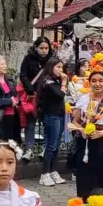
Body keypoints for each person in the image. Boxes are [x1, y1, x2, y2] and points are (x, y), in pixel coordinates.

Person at [70, 69, 103, 198]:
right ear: (90, 83)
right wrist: (82, 131)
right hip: (86, 141)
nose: (97, 84)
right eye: (94, 81)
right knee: (86, 173)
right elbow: (75, 121)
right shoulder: (83, 99)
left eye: (101, 81)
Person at [36, 58, 68, 186]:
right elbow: (60, 95)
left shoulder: (55, 81)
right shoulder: (47, 82)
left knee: (56, 145)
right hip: (51, 116)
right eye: (58, 67)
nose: (61, 70)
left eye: (62, 67)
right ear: (51, 67)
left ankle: (53, 171)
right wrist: (64, 82)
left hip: (59, 115)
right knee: (51, 145)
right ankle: (44, 174)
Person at [19, 37, 53, 152]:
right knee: (31, 122)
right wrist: (29, 89)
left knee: (46, 122)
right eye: (41, 48)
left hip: (46, 96)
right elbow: (23, 75)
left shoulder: (52, 60)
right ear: (36, 47)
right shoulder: (28, 59)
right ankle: (29, 148)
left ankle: (44, 148)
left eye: (46, 48)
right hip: (32, 95)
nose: (44, 50)